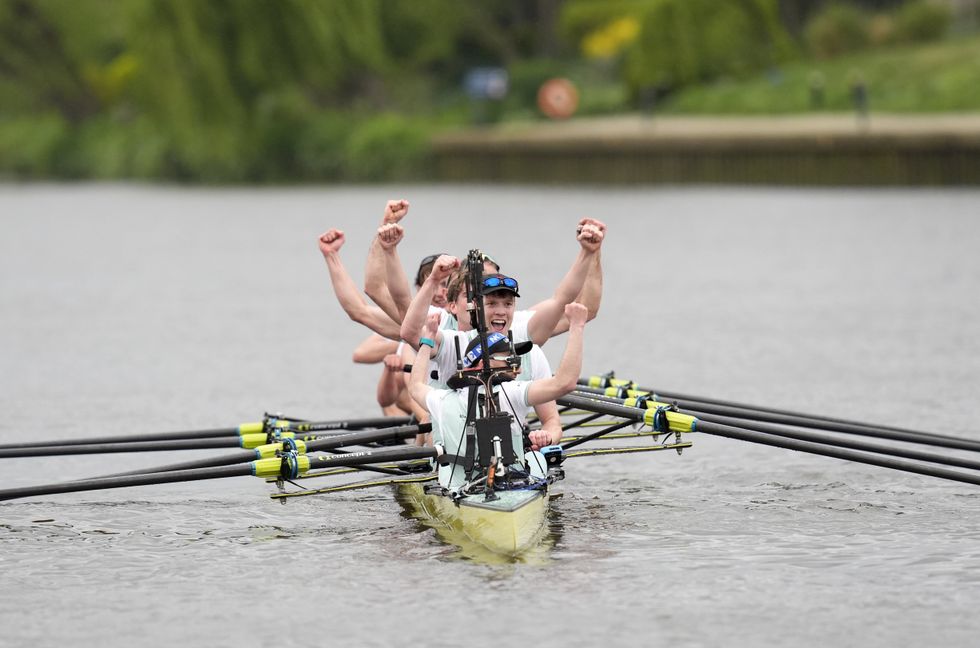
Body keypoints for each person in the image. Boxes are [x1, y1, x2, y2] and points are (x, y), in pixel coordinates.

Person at [408, 302, 589, 490]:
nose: (517, 367)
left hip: (459, 490)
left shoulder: (443, 400)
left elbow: (415, 386)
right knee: (536, 459)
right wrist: (576, 327)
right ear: (481, 364)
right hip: (513, 487)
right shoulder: (513, 392)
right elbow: (564, 383)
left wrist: (428, 339)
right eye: (508, 359)